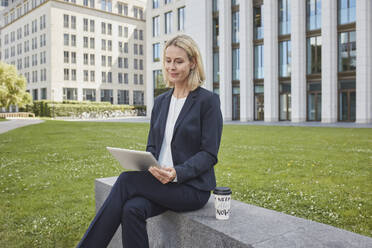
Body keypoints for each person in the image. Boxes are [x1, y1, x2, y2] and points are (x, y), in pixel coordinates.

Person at [77, 34, 223, 248]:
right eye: (168, 60)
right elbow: (152, 145)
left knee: (127, 180)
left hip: (191, 188)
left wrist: (177, 172)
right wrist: (151, 166)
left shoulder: (207, 101)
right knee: (131, 209)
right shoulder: (161, 101)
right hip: (159, 182)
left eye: (178, 61)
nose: (171, 67)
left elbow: (209, 153)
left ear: (193, 63)